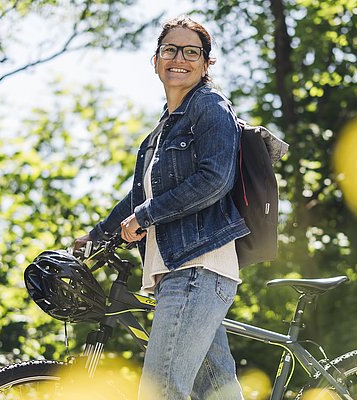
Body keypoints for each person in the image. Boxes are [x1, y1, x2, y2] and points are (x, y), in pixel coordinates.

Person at [74, 15, 248, 400]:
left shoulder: (210, 107)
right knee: (219, 394)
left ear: (206, 64)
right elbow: (140, 197)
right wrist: (98, 235)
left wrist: (147, 216)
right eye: (170, 49)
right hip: (181, 272)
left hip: (195, 268)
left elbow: (214, 179)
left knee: (161, 391)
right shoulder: (164, 128)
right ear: (155, 60)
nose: (178, 58)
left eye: (191, 51)